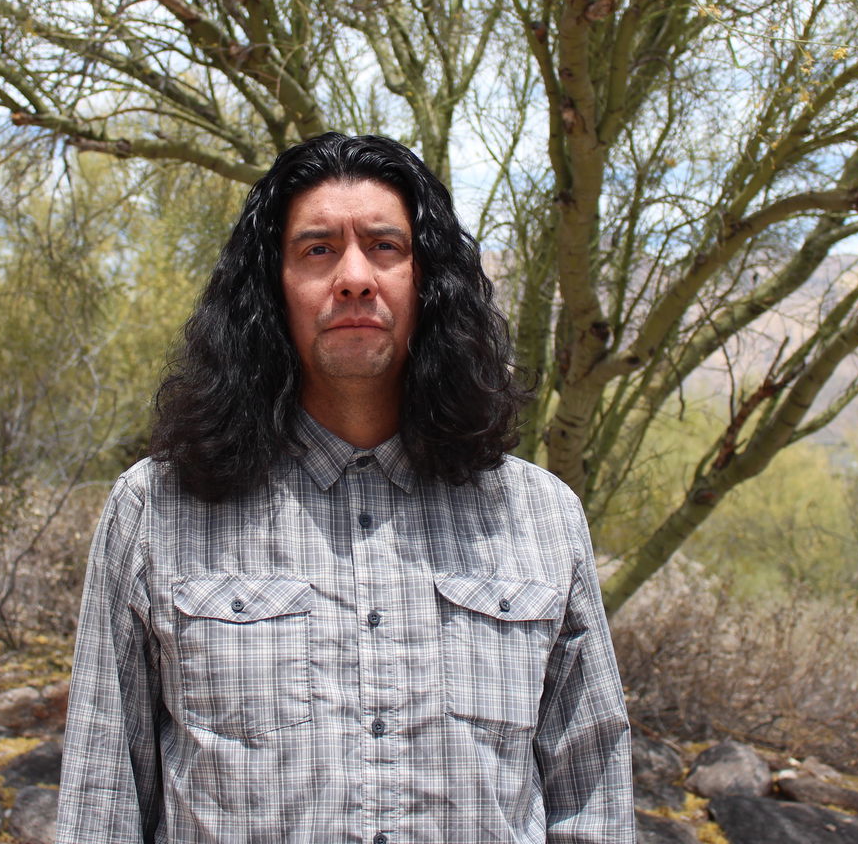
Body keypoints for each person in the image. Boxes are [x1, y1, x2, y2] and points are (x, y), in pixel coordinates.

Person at [56, 132, 634, 844]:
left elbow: (594, 802)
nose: (355, 276)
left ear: (429, 284)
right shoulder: (156, 509)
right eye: (318, 249)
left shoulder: (542, 517)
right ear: (273, 288)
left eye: (385, 247)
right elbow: (101, 801)